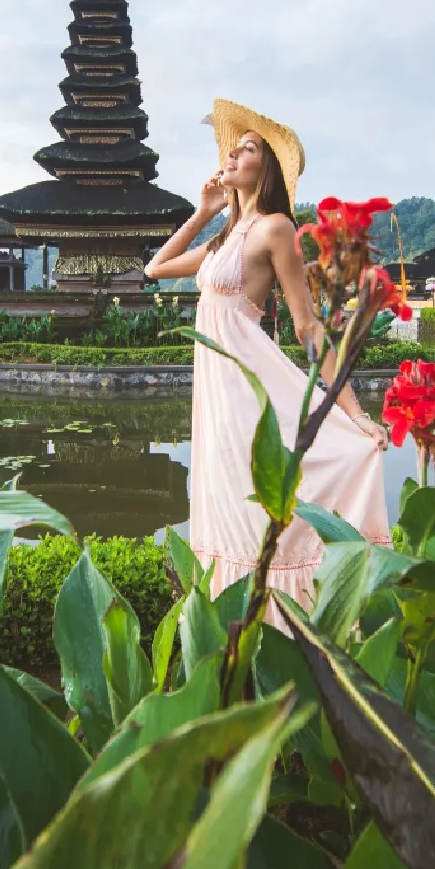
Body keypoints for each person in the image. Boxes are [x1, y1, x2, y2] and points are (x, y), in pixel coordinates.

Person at [145, 98, 391, 618]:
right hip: (217, 402)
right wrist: (205, 210)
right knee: (227, 506)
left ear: (268, 168)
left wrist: (355, 412)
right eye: (233, 148)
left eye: (248, 148)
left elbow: (307, 326)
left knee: (259, 510)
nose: (233, 154)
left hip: (250, 392)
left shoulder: (275, 228)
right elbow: (155, 268)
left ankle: (285, 627)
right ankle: (235, 625)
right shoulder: (224, 240)